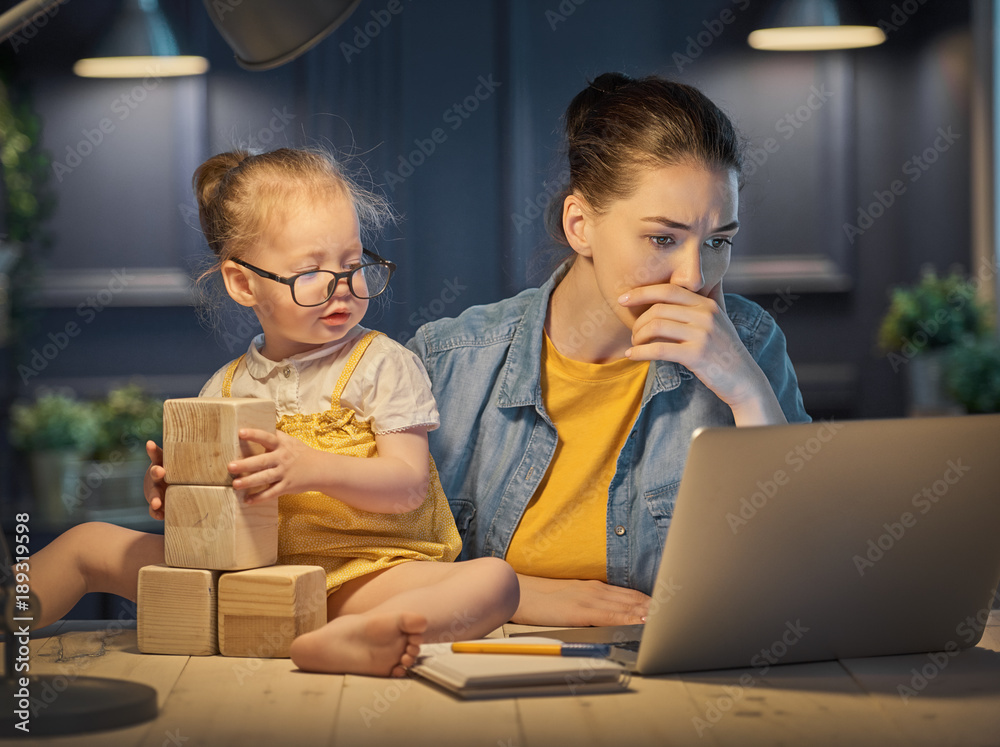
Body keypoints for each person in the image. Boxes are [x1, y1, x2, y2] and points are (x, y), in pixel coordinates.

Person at [25, 147, 519, 677]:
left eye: (352, 265)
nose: (343, 288)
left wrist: (313, 468)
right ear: (243, 283)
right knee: (86, 543)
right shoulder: (224, 388)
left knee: (494, 580)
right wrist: (175, 494)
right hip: (247, 576)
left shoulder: (383, 364)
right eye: (310, 271)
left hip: (361, 576)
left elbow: (407, 486)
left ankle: (350, 637)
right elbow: (210, 512)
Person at [406, 72, 811, 629]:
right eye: (662, 239)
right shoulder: (449, 363)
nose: (694, 276)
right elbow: (362, 566)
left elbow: (800, 576)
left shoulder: (750, 343)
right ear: (580, 225)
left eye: (718, 241)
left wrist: (747, 392)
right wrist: (514, 595)